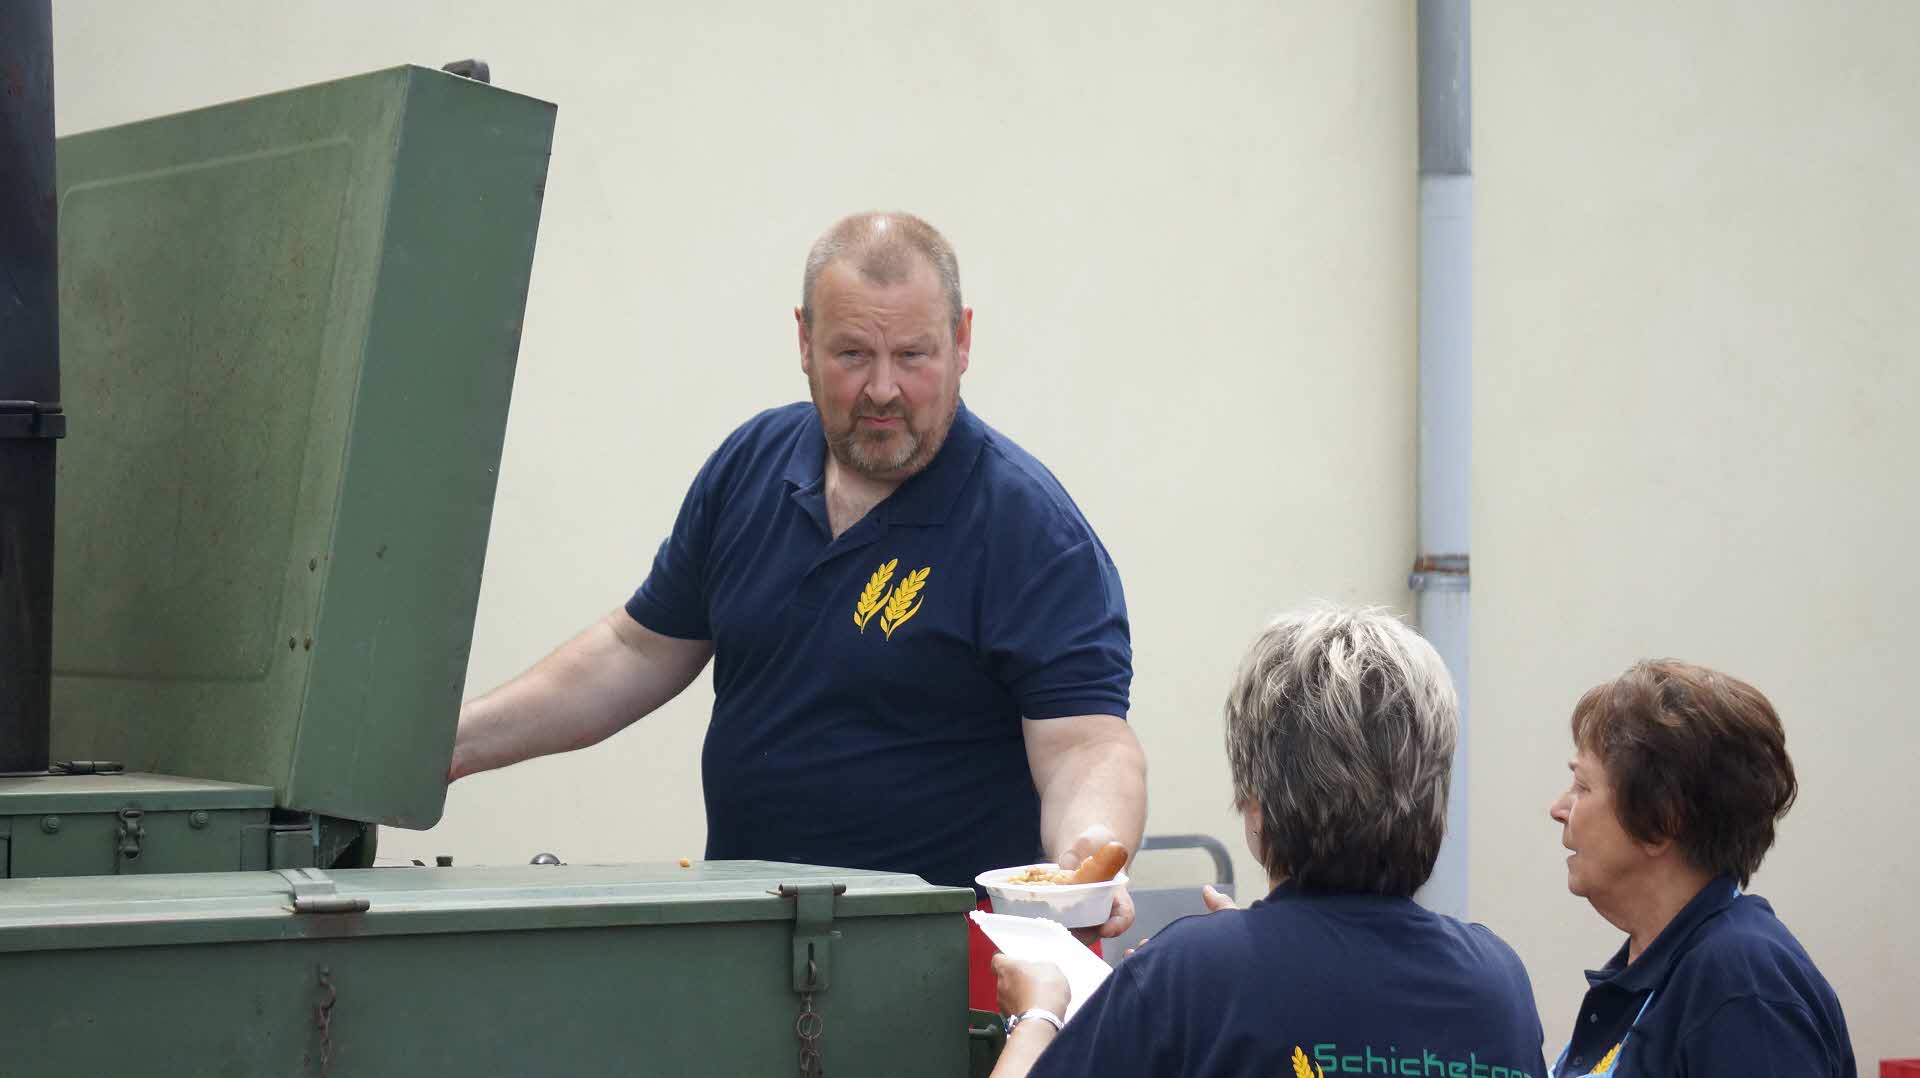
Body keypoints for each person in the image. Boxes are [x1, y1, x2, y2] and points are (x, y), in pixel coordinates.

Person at [449, 211, 1147, 1008]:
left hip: (934, 976)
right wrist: (448, 747)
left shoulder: (1027, 527)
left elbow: (1086, 744)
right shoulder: (751, 464)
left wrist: (1090, 850)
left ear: (961, 342)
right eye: (852, 354)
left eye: (912, 355)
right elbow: (635, 650)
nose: (882, 389)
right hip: (745, 951)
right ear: (804, 341)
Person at [989, 605, 1548, 1078]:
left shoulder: (1190, 975)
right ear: (1435, 792)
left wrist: (1037, 1015)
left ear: (1255, 800)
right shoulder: (1497, 982)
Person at [1545, 660, 1853, 1076]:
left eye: (1582, 786)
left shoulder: (1742, 986)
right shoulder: (1666, 973)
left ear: (1661, 819)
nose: (1558, 809)